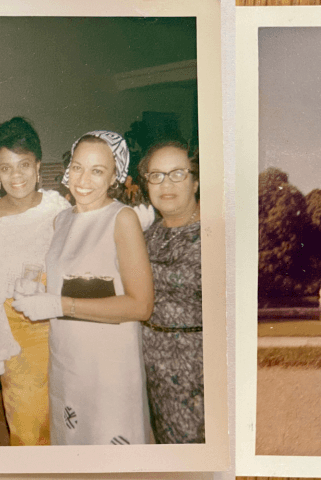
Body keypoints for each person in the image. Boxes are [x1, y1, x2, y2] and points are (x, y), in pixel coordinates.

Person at [12, 130, 154, 445]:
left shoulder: (122, 219)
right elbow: (70, 286)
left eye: (97, 170)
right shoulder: (60, 221)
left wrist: (61, 305)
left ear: (115, 175)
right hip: (67, 363)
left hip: (109, 370)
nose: (83, 179)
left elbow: (141, 305)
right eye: (78, 167)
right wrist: (38, 295)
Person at [0, 117, 69, 445]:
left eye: (24, 164)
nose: (16, 176)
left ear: (38, 165)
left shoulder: (58, 208)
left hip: (62, 330)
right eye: (6, 168)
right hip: (17, 335)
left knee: (66, 424)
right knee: (28, 428)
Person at [137, 141, 204, 443]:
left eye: (177, 174)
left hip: (201, 377)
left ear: (196, 180)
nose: (166, 184)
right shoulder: (146, 236)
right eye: (157, 175)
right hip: (156, 378)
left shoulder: (216, 233)